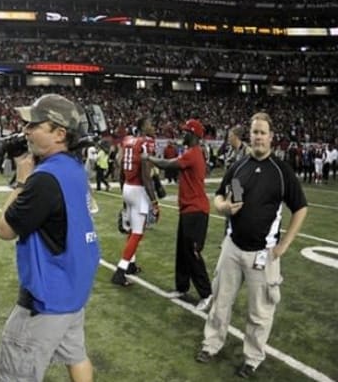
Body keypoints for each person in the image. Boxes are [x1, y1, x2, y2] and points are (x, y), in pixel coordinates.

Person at [196, 112, 307, 378]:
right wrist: (224, 207)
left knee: (259, 312)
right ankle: (211, 344)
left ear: (271, 137)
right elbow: (221, 197)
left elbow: (301, 209)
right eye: (254, 132)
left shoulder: (282, 172)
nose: (257, 137)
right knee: (220, 301)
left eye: (262, 133)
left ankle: (253, 357)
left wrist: (284, 247)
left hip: (264, 254)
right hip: (232, 248)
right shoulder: (239, 167)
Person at [0, 93, 99, 382]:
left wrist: (21, 178)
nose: (26, 130)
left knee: (15, 372)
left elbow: (5, 230)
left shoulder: (44, 178)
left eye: (35, 124)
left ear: (59, 133)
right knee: (76, 356)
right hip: (73, 289)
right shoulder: (74, 168)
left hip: (47, 297)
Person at [145, 119, 212, 310]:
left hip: (196, 210)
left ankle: (207, 294)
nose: (183, 135)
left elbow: (167, 164)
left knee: (192, 252)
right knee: (182, 252)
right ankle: (182, 287)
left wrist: (148, 158)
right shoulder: (192, 153)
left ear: (194, 135)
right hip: (188, 209)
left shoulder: (193, 153)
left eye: (186, 132)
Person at [111, 117, 159, 286]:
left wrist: (123, 192)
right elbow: (146, 176)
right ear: (142, 127)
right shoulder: (145, 143)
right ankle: (120, 271)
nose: (152, 127)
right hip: (138, 190)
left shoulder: (128, 141)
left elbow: (122, 168)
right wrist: (154, 201)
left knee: (132, 230)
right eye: (150, 124)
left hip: (127, 188)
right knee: (137, 233)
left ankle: (130, 264)